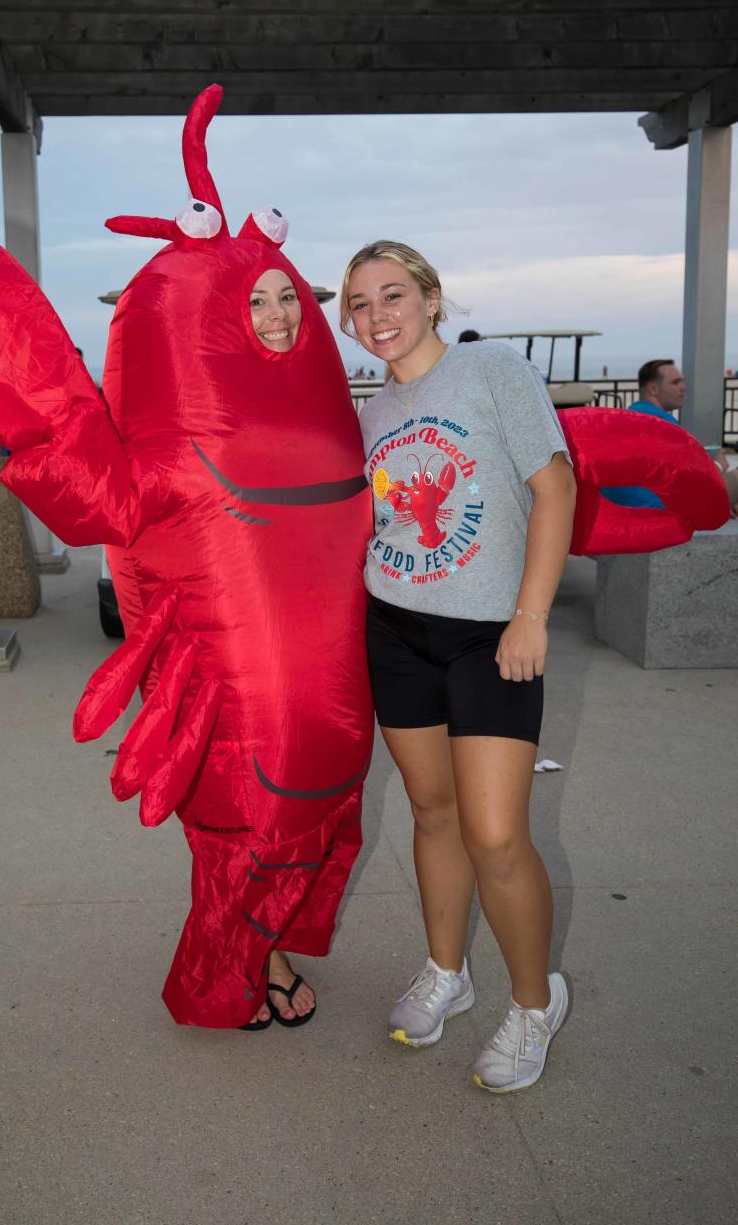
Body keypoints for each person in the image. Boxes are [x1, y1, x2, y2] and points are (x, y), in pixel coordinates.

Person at [341, 240, 576, 1092]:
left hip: (491, 636)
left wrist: (531, 616)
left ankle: (532, 1001)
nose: (378, 317)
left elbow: (556, 487)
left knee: (497, 833)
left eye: (393, 295)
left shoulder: (493, 372)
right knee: (432, 812)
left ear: (433, 299)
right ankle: (448, 970)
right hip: (396, 630)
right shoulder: (370, 412)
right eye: (360, 305)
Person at [242, 265, 317, 1027]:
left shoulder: (321, 387)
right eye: (255, 301)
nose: (275, 314)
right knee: (250, 800)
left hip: (322, 633)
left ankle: (265, 936)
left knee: (304, 797)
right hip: (242, 638)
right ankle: (259, 952)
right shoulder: (210, 394)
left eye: (286, 295)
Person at [603, 359, 738, 515]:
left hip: (619, 507)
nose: (683, 387)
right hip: (656, 510)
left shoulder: (626, 416)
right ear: (653, 389)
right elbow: (694, 481)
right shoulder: (665, 426)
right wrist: (718, 464)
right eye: (676, 382)